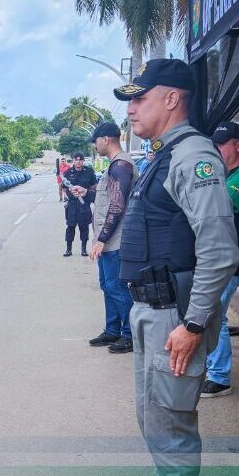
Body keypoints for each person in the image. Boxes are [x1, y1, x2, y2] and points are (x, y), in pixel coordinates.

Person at [109, 58, 239, 476]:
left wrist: (194, 323)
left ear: (170, 98)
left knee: (172, 417)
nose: (131, 110)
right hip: (152, 308)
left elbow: (220, 250)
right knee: (154, 414)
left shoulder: (193, 158)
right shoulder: (163, 155)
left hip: (174, 315)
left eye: (139, 98)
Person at [202, 122, 239, 399]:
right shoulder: (226, 171)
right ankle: (212, 368)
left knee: (214, 313)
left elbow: (219, 206)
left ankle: (219, 376)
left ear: (238, 145)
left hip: (232, 256)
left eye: (222, 144)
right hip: (220, 254)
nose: (217, 150)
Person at [86, 121, 136, 354]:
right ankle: (113, 329)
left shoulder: (121, 166)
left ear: (105, 139)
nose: (95, 146)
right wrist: (86, 192)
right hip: (109, 241)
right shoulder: (114, 166)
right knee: (108, 286)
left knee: (117, 287)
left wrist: (101, 239)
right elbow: (109, 196)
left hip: (116, 241)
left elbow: (117, 206)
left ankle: (130, 334)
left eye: (95, 141)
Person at [62, 153, 96, 257]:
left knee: (84, 227)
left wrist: (88, 194)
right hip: (72, 204)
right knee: (70, 227)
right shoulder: (68, 172)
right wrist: (68, 195)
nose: (78, 162)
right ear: (73, 161)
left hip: (84, 204)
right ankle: (68, 249)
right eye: (76, 160)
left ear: (83, 161)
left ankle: (84, 249)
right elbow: (63, 187)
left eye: (80, 160)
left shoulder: (89, 172)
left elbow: (94, 186)